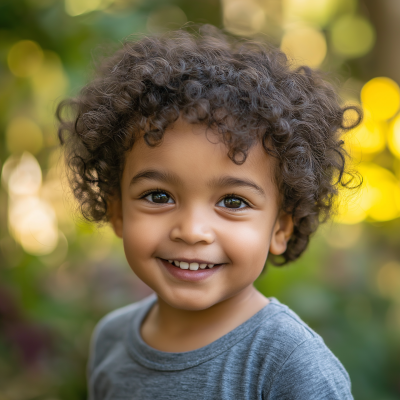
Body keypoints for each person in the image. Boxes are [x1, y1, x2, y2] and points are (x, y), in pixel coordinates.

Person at [57, 24, 361, 399]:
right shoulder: (111, 340)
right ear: (117, 211)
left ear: (280, 228)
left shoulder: (290, 365)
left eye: (233, 202)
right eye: (157, 196)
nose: (192, 230)